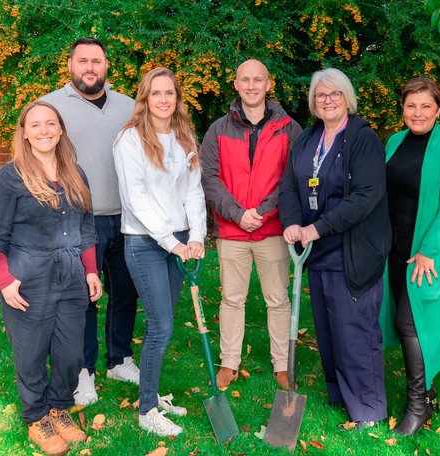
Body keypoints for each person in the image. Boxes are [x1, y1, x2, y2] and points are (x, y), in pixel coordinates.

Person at [279, 68, 391, 427]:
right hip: (316, 250)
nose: (327, 101)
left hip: (352, 250)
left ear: (348, 98)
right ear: (313, 102)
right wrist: (293, 223)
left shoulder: (362, 138)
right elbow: (290, 187)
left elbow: (366, 195)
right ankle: (340, 395)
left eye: (335, 94)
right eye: (321, 96)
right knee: (328, 330)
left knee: (354, 330)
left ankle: (369, 410)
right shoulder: (307, 138)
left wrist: (318, 227)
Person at [0, 101, 102, 455]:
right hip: (27, 277)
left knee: (71, 353)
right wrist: (5, 280)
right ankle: (36, 417)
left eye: (50, 124)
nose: (44, 131)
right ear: (24, 133)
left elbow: (86, 228)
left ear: (60, 130)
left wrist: (91, 270)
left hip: (72, 274)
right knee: (30, 354)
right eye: (35, 125)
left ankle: (59, 407)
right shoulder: (10, 177)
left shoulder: (76, 172)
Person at [42, 37, 139, 405]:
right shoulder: (51, 106)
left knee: (125, 293)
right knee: (83, 298)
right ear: (70, 65)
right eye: (82, 61)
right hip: (78, 221)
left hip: (128, 219)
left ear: (106, 66)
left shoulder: (129, 107)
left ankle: (120, 359)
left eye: (96, 61)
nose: (89, 67)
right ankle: (84, 371)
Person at [113, 67, 206, 436]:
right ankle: (147, 410)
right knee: (161, 326)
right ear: (145, 99)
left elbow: (193, 192)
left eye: (170, 93)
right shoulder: (130, 140)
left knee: (162, 327)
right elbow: (137, 200)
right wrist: (173, 243)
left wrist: (196, 236)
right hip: (145, 242)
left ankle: (150, 393)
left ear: (177, 99)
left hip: (180, 241)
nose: (164, 100)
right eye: (156, 93)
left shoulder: (184, 138)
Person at [201, 59, 301, 389]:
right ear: (235, 84)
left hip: (272, 229)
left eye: (258, 80)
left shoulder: (289, 128)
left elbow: (293, 177)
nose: (252, 86)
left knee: (278, 298)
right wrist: (237, 212)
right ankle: (229, 363)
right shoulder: (218, 129)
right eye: (245, 80)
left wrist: (262, 211)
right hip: (232, 230)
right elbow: (210, 177)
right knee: (232, 299)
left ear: (268, 84)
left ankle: (282, 363)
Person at [383, 78, 440, 435]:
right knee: (407, 321)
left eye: (426, 106)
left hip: (430, 251)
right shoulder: (394, 142)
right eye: (411, 106)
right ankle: (428, 393)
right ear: (402, 108)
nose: (417, 113)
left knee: (411, 323)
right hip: (396, 248)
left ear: (437, 108)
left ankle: (417, 406)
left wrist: (427, 251)